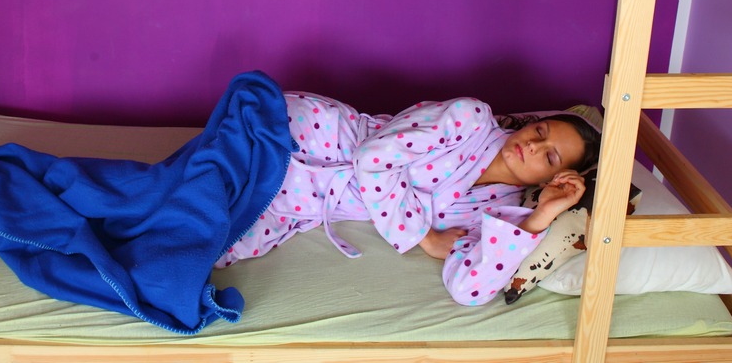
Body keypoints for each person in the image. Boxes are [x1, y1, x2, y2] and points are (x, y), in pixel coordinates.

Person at [216, 91, 600, 307]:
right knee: (208, 182)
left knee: (214, 244)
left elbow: (468, 289)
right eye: (540, 132)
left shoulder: (499, 211)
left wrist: (541, 216)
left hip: (309, 201)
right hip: (313, 136)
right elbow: (372, 157)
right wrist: (425, 237)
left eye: (549, 157)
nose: (532, 146)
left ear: (552, 178)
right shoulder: (470, 118)